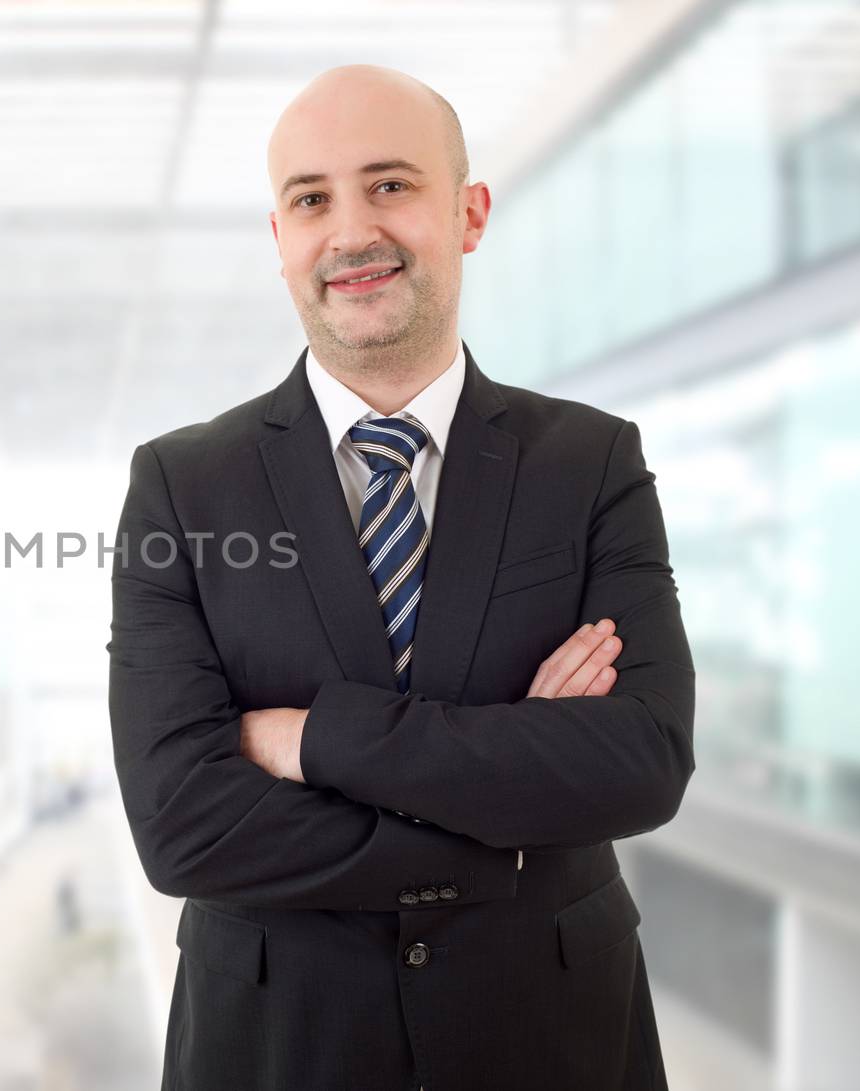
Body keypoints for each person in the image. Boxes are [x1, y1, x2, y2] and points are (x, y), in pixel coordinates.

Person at [106, 64, 693, 1091]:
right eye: (310, 200)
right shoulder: (181, 484)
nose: (349, 234)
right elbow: (180, 824)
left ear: (467, 213)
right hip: (278, 1046)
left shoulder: (589, 461)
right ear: (279, 240)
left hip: (553, 1038)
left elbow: (641, 757)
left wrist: (305, 738)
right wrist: (506, 817)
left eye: (389, 185)